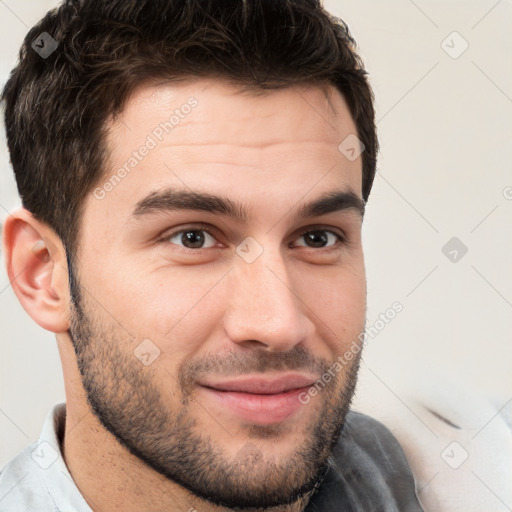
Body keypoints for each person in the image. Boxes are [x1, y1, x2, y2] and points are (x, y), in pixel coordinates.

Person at [0, 0, 425, 510]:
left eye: (317, 238)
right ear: (42, 272)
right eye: (193, 238)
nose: (278, 324)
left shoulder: (444, 473)